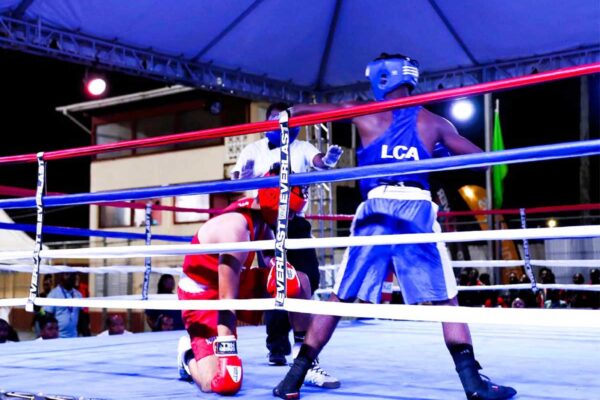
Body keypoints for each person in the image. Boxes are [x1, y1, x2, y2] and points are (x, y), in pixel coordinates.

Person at [274, 53, 516, 400]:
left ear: (381, 79)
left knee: (341, 297)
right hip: (416, 209)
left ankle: (292, 380)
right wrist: (438, 153)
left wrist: (285, 117)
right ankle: (473, 383)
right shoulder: (434, 123)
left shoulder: (363, 110)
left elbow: (301, 112)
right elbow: (483, 162)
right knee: (446, 301)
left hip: (375, 208)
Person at [176, 173, 327, 396]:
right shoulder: (235, 230)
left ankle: (302, 357)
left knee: (296, 279)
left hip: (234, 281)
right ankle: (187, 355)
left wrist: (278, 267)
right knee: (222, 383)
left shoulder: (262, 219)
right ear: (275, 204)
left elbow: (267, 258)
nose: (293, 218)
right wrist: (228, 350)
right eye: (290, 212)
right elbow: (226, 302)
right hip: (205, 296)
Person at [232, 102, 341, 389]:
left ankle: (301, 349)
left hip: (296, 222)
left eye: (288, 122)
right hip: (265, 222)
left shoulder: (302, 146)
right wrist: (242, 175)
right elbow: (236, 176)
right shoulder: (254, 149)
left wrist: (328, 160)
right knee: (279, 281)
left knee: (308, 278)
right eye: (278, 121)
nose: (283, 127)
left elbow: (318, 161)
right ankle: (280, 348)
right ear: (267, 122)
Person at [43, 272, 82, 338]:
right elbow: (47, 317)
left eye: (73, 275)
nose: (71, 277)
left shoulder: (78, 295)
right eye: (67, 274)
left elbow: (81, 317)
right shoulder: (53, 294)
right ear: (61, 277)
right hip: (57, 338)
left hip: (74, 338)